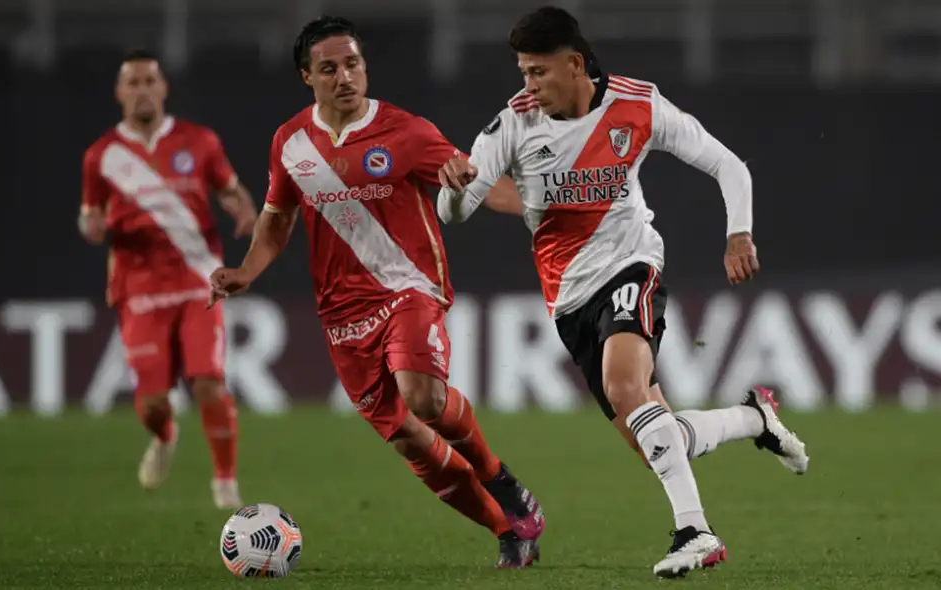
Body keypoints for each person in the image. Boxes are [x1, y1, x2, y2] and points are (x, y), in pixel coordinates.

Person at [436, 6, 809, 578]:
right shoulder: (512, 124)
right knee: (658, 440)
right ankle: (753, 419)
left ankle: (697, 533)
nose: (527, 87)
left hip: (632, 264)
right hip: (567, 300)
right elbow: (454, 211)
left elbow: (727, 165)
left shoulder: (637, 104)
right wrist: (455, 187)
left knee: (624, 385)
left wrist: (739, 234)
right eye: (523, 74)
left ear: (574, 64)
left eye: (538, 73)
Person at [207, 16, 543, 568]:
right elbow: (276, 218)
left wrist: (534, 208)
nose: (345, 76)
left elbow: (473, 180)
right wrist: (247, 270)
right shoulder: (290, 143)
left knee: (423, 397)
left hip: (411, 287)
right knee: (410, 439)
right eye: (330, 68)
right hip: (341, 311)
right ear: (306, 77)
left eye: (353, 63)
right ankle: (508, 528)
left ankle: (501, 482)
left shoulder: (406, 131)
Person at [79, 49, 257, 509]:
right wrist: (92, 228)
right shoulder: (102, 156)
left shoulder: (199, 141)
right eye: (132, 82)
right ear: (120, 93)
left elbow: (230, 189)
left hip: (200, 279)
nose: (142, 90)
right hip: (139, 287)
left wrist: (243, 209)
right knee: (154, 401)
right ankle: (165, 435)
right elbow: (89, 216)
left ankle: (225, 482)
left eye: (149, 81)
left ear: (163, 88)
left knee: (209, 384)